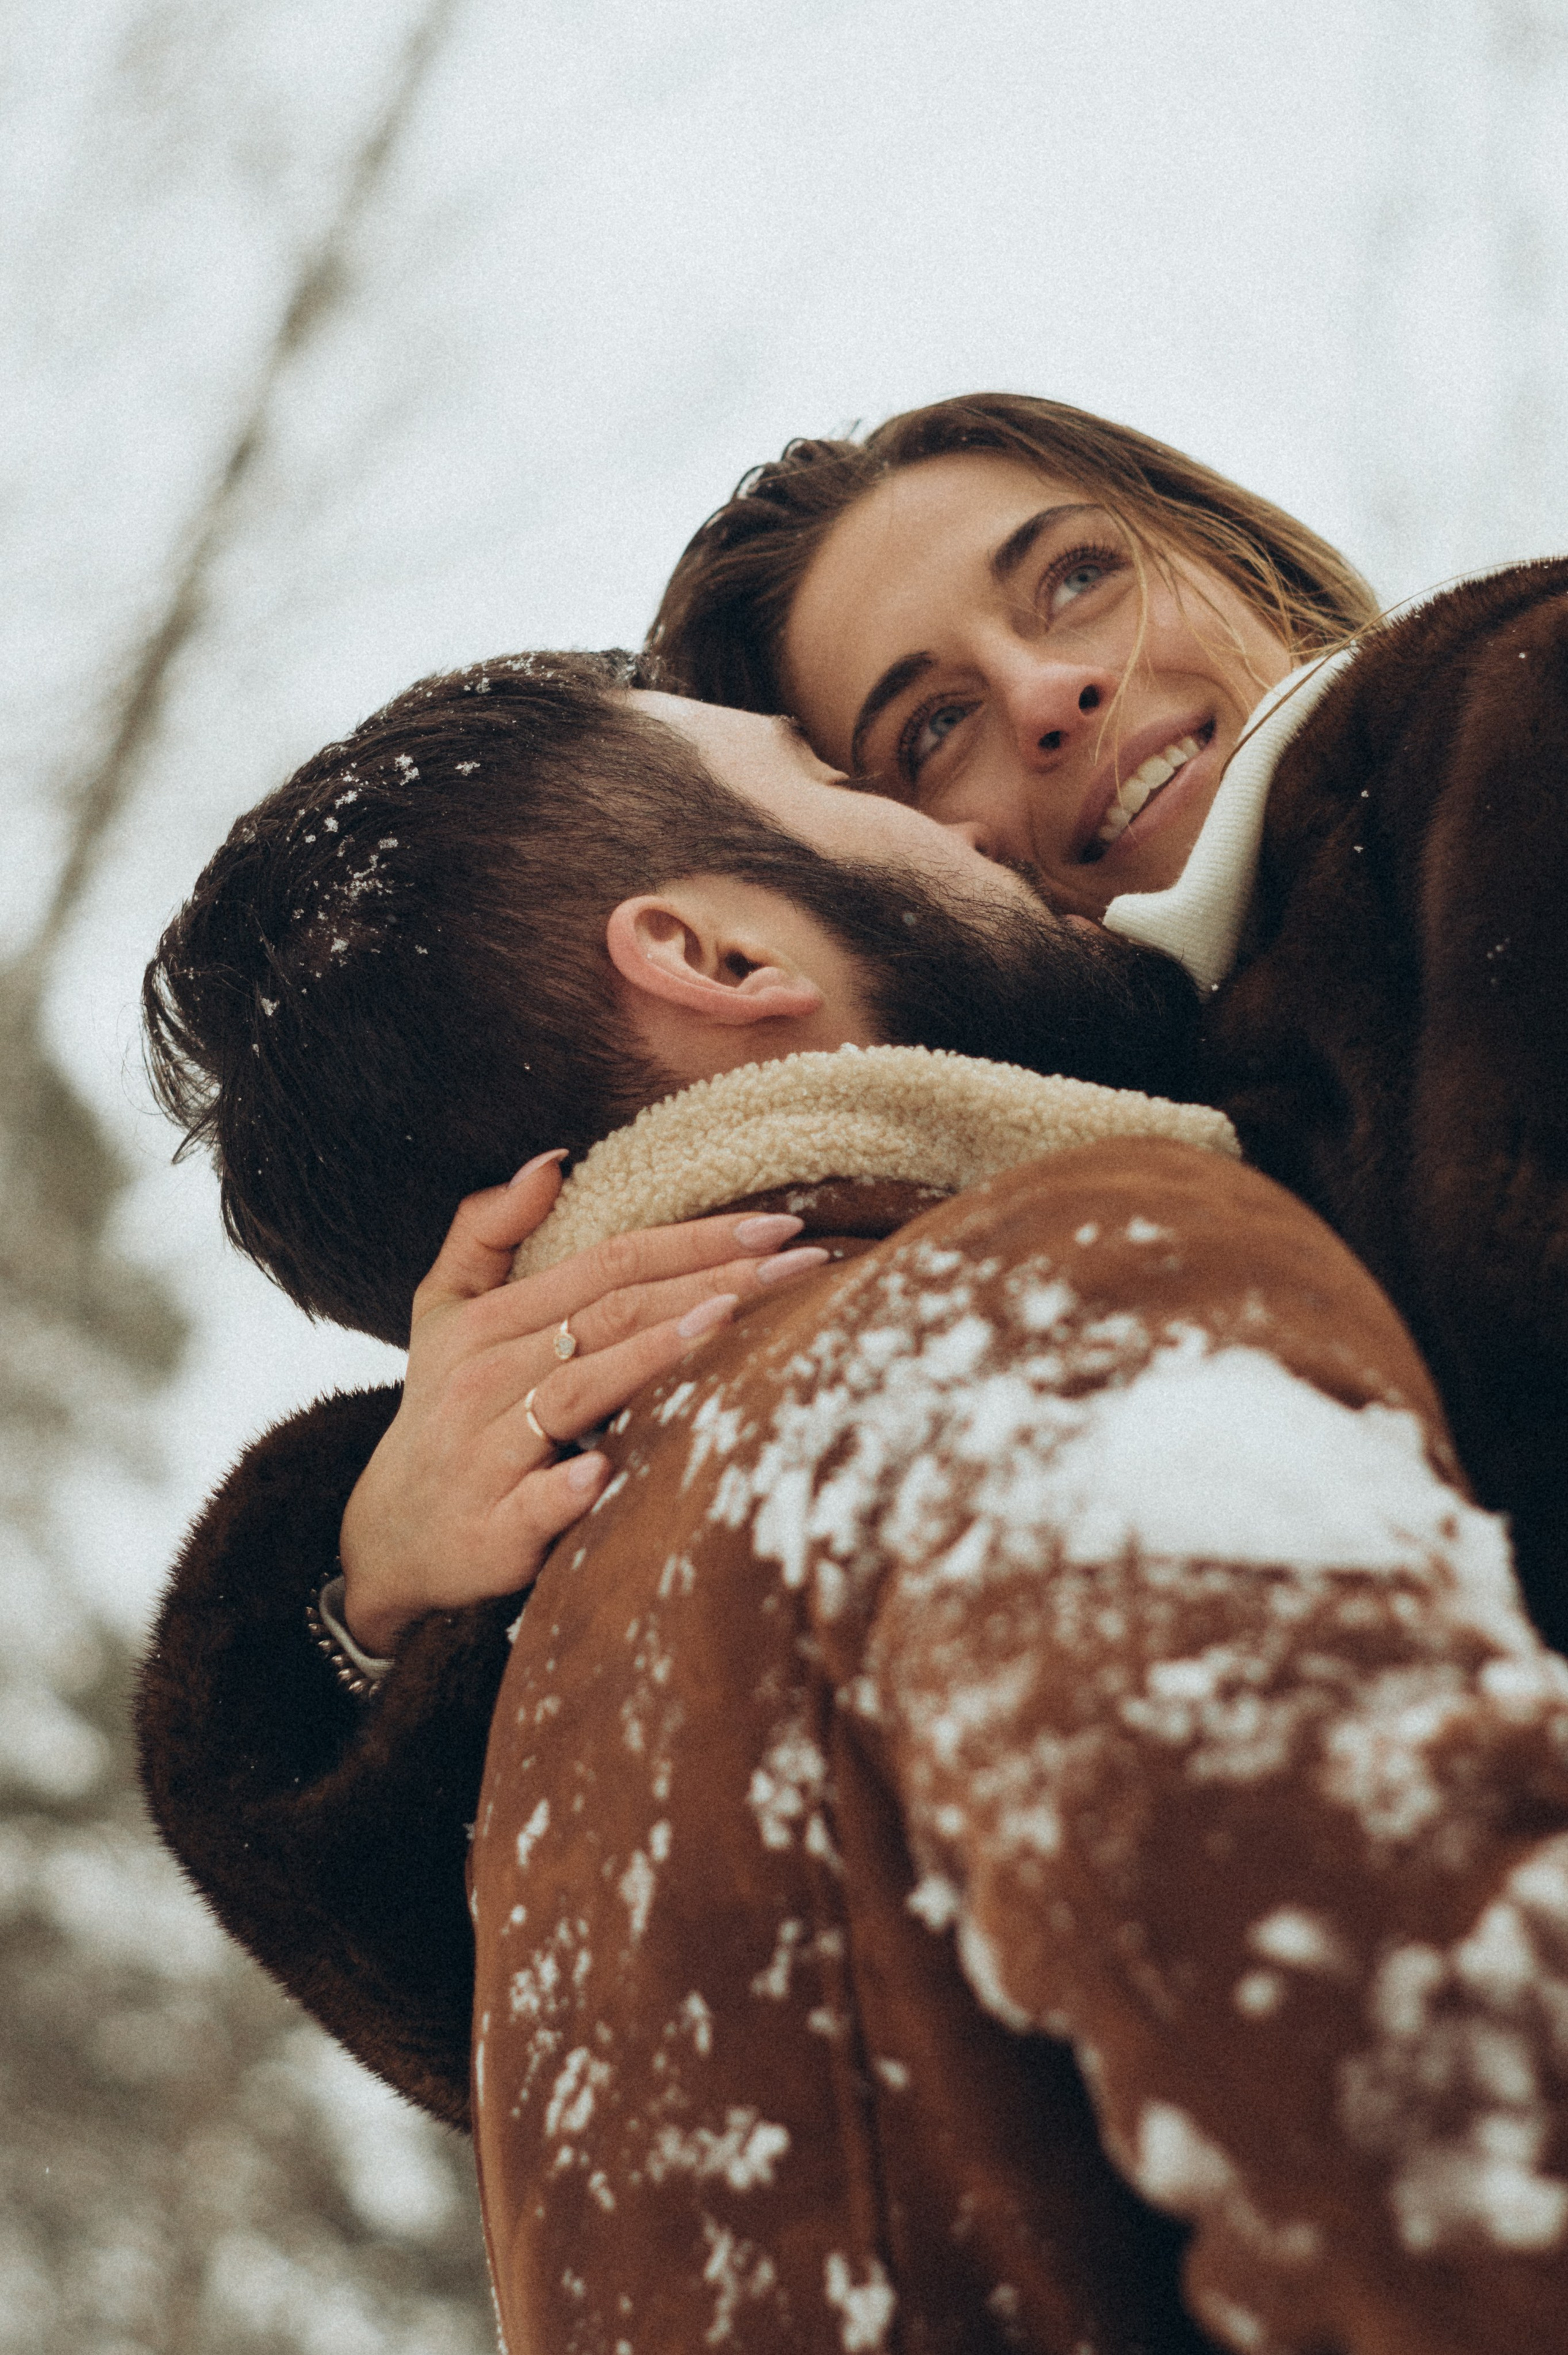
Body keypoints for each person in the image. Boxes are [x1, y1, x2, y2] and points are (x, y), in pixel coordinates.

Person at [138, 650, 1568, 2354]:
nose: (968, 833)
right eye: (847, 779)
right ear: (719, 956)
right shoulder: (1036, 1303)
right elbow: (1456, 2119)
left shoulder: (554, 1682)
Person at [647, 391, 1568, 1646]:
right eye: (931, 727)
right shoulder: (1080, 1184)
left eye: (1076, 576)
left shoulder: (1526, 720)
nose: (1048, 690)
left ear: (1230, 558)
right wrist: (355, 1599)